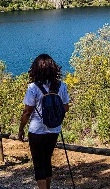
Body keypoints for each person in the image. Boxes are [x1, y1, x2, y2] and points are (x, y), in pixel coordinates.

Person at [18, 54, 70, 189]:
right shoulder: (61, 86)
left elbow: (27, 112)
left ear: (35, 69)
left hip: (36, 130)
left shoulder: (33, 88)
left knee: (38, 163)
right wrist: (55, 116)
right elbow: (66, 107)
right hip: (54, 129)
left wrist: (21, 129)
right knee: (47, 160)